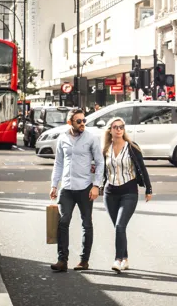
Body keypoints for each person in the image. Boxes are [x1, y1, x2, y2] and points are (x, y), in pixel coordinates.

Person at [49, 108, 104, 272]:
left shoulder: (91, 138)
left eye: (84, 120)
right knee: (62, 222)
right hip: (66, 187)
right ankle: (62, 260)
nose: (82, 124)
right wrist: (54, 185)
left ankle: (84, 260)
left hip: (85, 187)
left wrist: (96, 185)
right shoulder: (62, 138)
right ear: (69, 122)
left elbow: (100, 162)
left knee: (87, 224)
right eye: (78, 121)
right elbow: (58, 163)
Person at [103, 117, 152, 272]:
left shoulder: (131, 147)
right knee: (119, 228)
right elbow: (100, 170)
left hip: (129, 191)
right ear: (110, 130)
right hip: (110, 192)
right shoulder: (105, 149)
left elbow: (142, 169)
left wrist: (148, 188)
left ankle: (117, 260)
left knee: (120, 226)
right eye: (115, 127)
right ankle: (125, 258)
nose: (118, 129)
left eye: (121, 127)